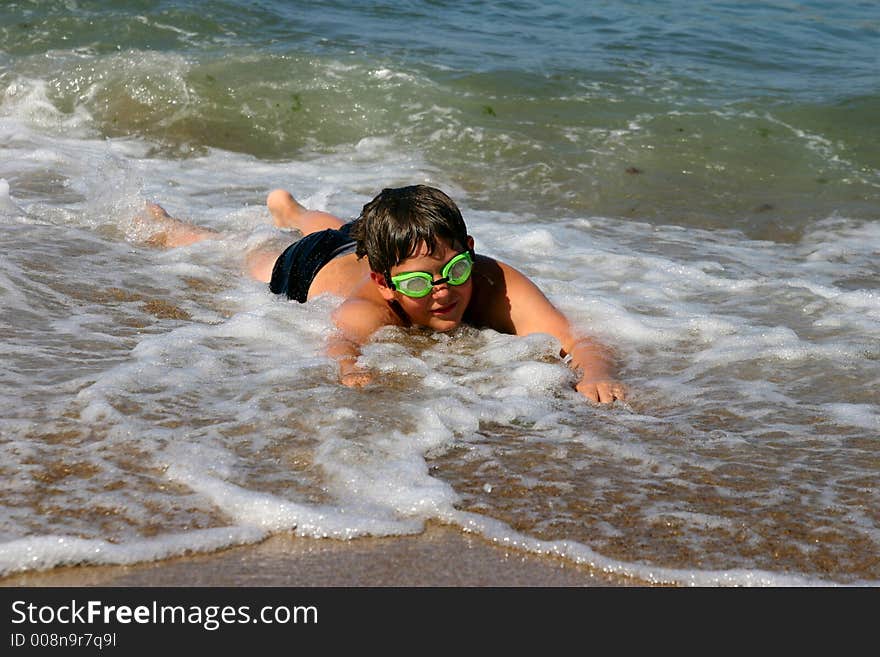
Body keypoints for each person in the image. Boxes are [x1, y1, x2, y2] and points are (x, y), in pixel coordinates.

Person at [143, 185, 626, 403]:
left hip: (375, 243)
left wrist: (596, 373)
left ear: (470, 252)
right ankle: (171, 226)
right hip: (312, 263)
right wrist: (349, 370)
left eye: (455, 270)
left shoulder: (486, 277)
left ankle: (293, 208)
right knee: (241, 252)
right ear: (385, 283)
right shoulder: (367, 307)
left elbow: (576, 338)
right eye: (418, 284)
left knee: (351, 228)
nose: (442, 292)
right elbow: (340, 344)